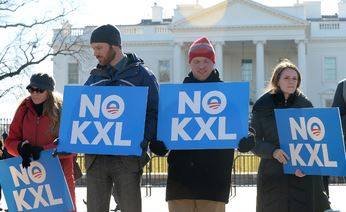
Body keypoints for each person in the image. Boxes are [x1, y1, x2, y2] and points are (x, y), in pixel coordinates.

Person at [149, 37, 254, 212]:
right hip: (180, 180)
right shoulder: (177, 96)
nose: (201, 66)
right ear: (190, 63)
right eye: (196, 61)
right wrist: (158, 143)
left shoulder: (228, 97)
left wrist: (248, 139)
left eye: (206, 61)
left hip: (214, 180)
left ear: (213, 62)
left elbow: (242, 129)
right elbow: (165, 132)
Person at [84, 24, 159, 212]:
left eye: (99, 48)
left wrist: (143, 139)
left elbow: (154, 112)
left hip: (127, 158)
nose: (96, 53)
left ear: (114, 47)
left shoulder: (142, 76)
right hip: (96, 157)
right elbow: (80, 112)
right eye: (93, 49)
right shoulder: (93, 78)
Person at [251, 59, 330, 212]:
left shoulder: (305, 105)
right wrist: (272, 151)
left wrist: (306, 165)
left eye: (295, 78)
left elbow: (314, 142)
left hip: (301, 176)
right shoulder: (262, 105)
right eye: (286, 78)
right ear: (277, 80)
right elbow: (253, 140)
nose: (291, 81)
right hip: (272, 175)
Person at [4, 73, 76, 211]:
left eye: (39, 90)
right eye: (31, 89)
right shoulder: (23, 109)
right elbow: (10, 141)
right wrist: (20, 148)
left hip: (58, 175)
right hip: (31, 177)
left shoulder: (62, 110)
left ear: (49, 91)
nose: (34, 93)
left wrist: (44, 150)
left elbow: (72, 144)